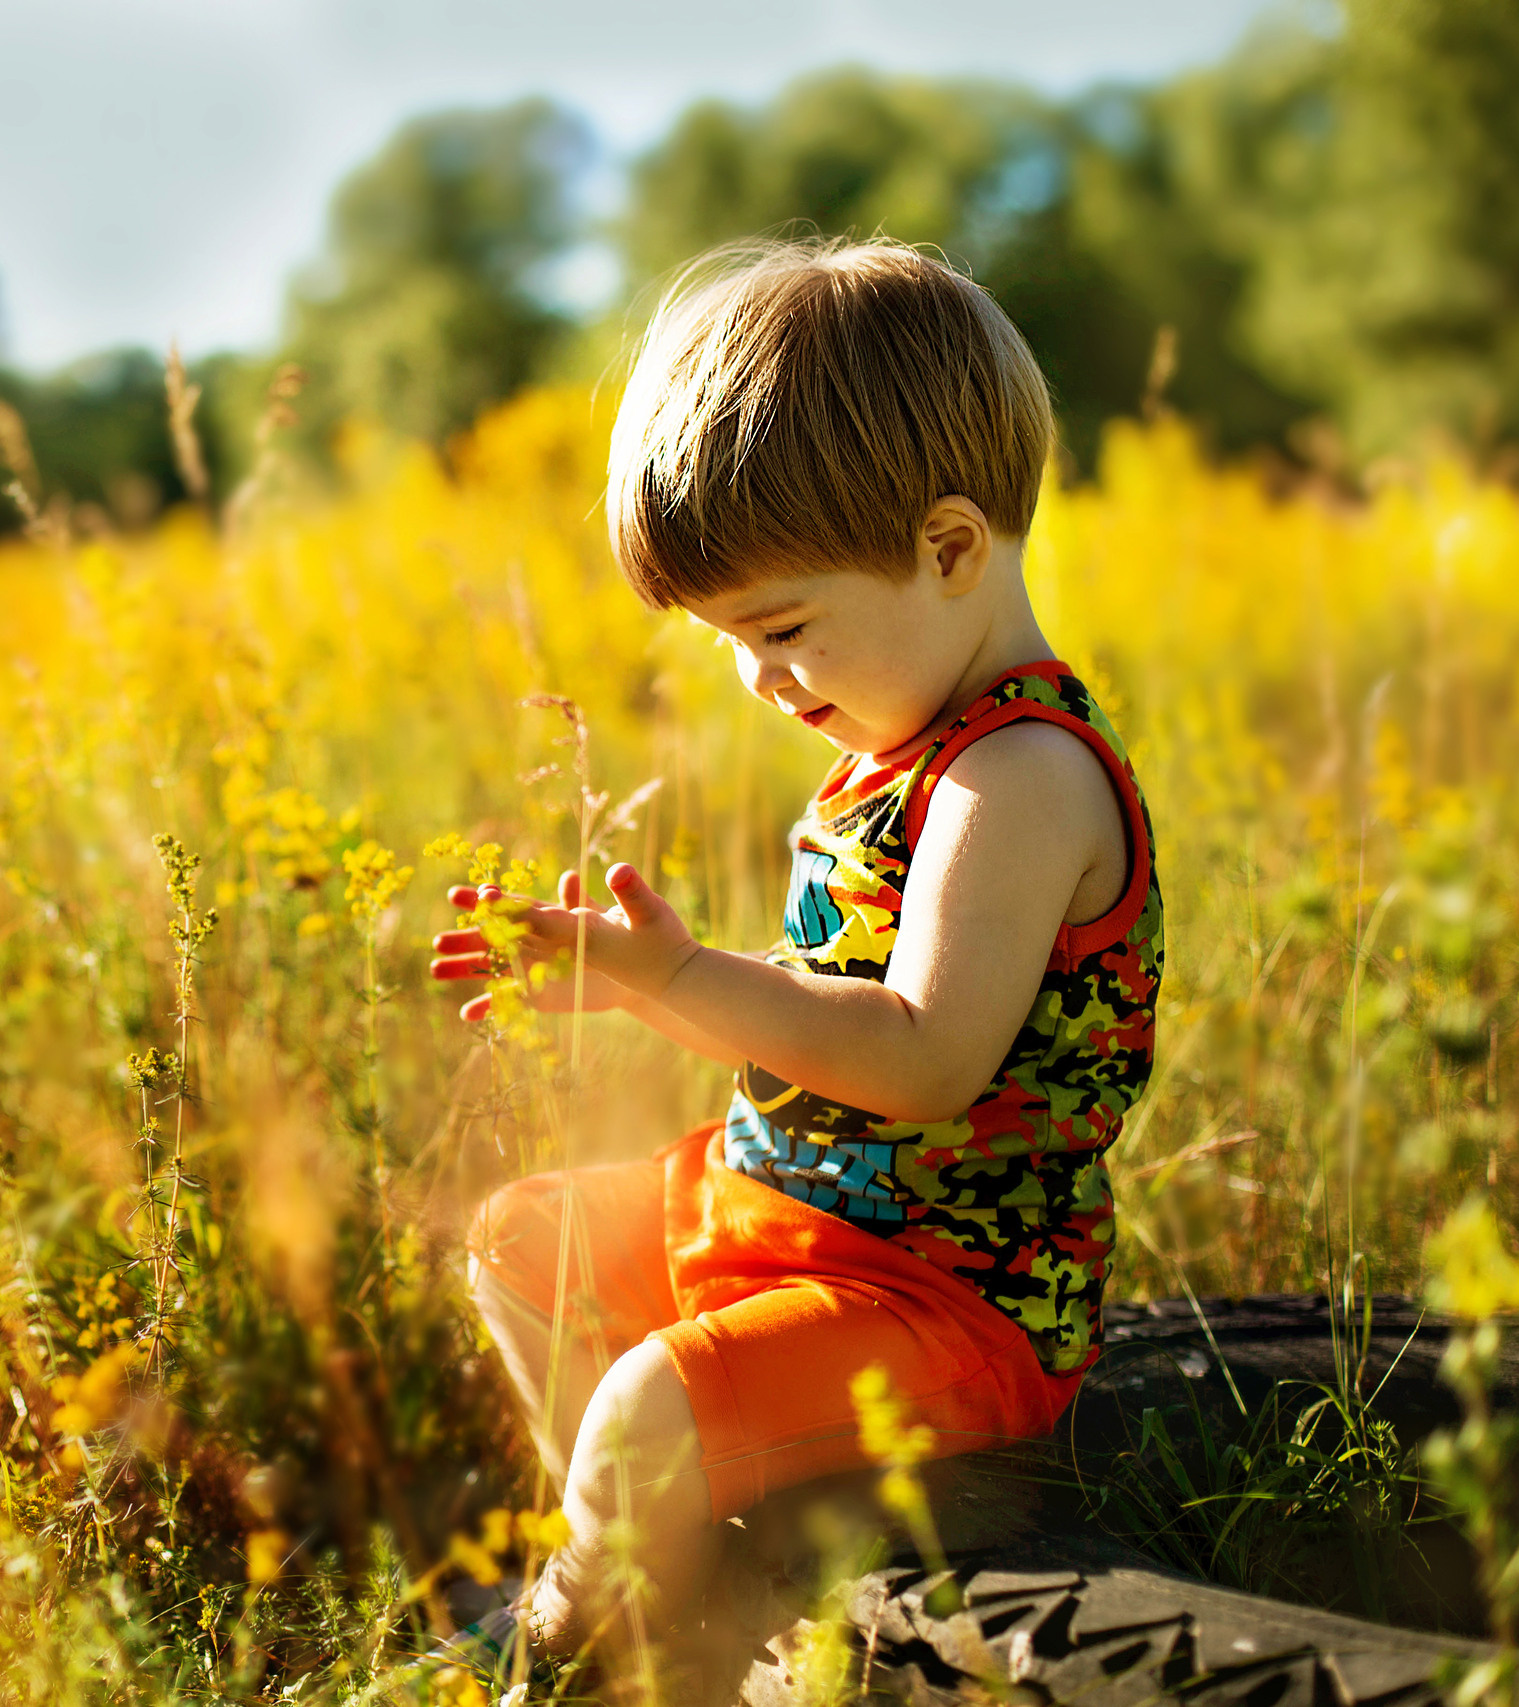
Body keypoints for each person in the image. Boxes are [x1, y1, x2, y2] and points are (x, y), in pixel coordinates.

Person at [428, 238, 1164, 1668]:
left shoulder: (1015, 776)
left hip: (946, 1290)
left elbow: (925, 1055)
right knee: (526, 1245)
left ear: (950, 550)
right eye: (728, 642)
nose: (760, 679)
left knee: (648, 1404)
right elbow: (852, 974)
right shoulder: (903, 749)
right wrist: (665, 973)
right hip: (787, 1219)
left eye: (780, 627)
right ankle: (673, 1544)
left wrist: (683, 985)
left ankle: (588, 1639)